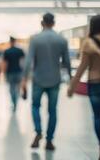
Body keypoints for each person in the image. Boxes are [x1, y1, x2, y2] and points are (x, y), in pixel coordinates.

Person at [22, 12, 71, 151]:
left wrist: (24, 79)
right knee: (52, 111)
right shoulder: (61, 40)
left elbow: (28, 61)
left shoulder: (35, 39)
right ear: (54, 23)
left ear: (42, 23)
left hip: (38, 79)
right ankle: (49, 140)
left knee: (35, 106)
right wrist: (71, 80)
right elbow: (66, 62)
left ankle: (38, 132)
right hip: (55, 80)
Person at [68, 15, 100, 160]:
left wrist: (72, 87)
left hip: (95, 83)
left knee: (98, 116)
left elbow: (82, 68)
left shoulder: (88, 43)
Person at [3, 37, 25, 112]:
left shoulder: (7, 51)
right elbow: (22, 62)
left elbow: (5, 63)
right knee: (18, 88)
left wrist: (4, 73)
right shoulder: (20, 51)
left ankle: (14, 101)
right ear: (15, 41)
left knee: (11, 88)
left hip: (10, 72)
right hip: (18, 72)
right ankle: (16, 100)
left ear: (10, 41)